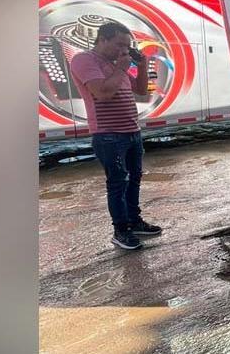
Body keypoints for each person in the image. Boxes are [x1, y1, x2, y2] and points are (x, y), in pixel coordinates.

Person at [69, 20, 162, 250]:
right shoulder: (84, 60)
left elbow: (140, 90)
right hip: (108, 135)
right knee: (118, 183)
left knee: (135, 180)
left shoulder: (113, 65)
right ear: (102, 39)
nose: (123, 50)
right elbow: (102, 93)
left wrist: (142, 65)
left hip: (132, 131)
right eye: (119, 44)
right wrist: (122, 67)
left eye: (127, 46)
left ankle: (134, 221)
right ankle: (121, 231)